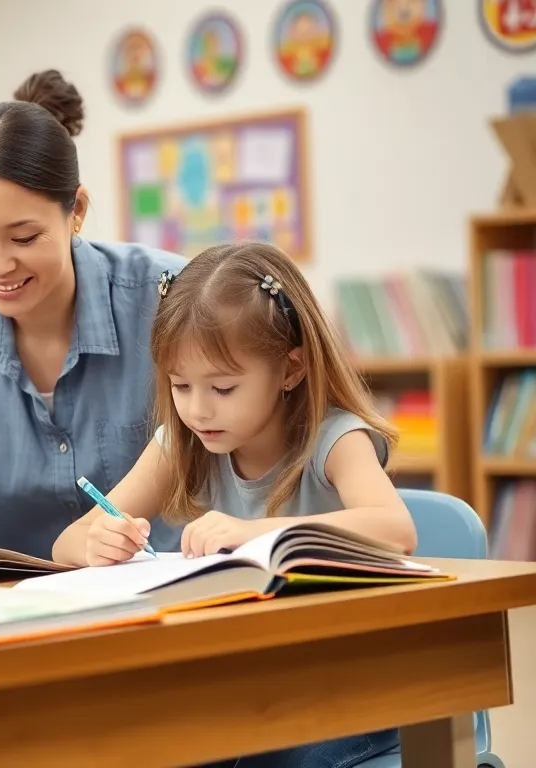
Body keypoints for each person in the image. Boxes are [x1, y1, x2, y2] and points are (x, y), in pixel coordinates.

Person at [54, 241, 413, 767]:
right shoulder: (182, 443)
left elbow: (396, 528)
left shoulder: (333, 440)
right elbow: (66, 542)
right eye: (180, 385)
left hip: (344, 702)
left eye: (223, 387)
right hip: (245, 695)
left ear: (291, 369)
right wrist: (96, 541)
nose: (198, 409)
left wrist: (259, 535)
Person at [0, 69, 186, 560]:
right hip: (15, 602)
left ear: (77, 212)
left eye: (24, 238)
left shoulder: (170, 297)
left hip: (171, 592)